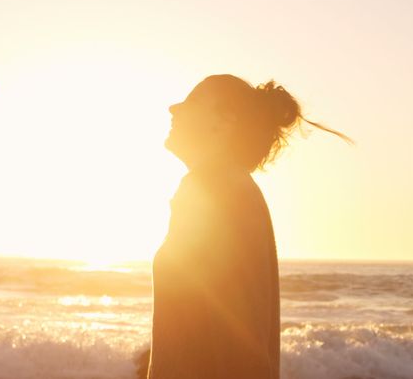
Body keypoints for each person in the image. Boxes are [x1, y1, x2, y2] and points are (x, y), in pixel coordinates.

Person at [149, 75, 349, 379]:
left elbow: (241, 332)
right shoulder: (231, 186)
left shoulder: (214, 187)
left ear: (224, 121)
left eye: (192, 101)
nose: (173, 108)